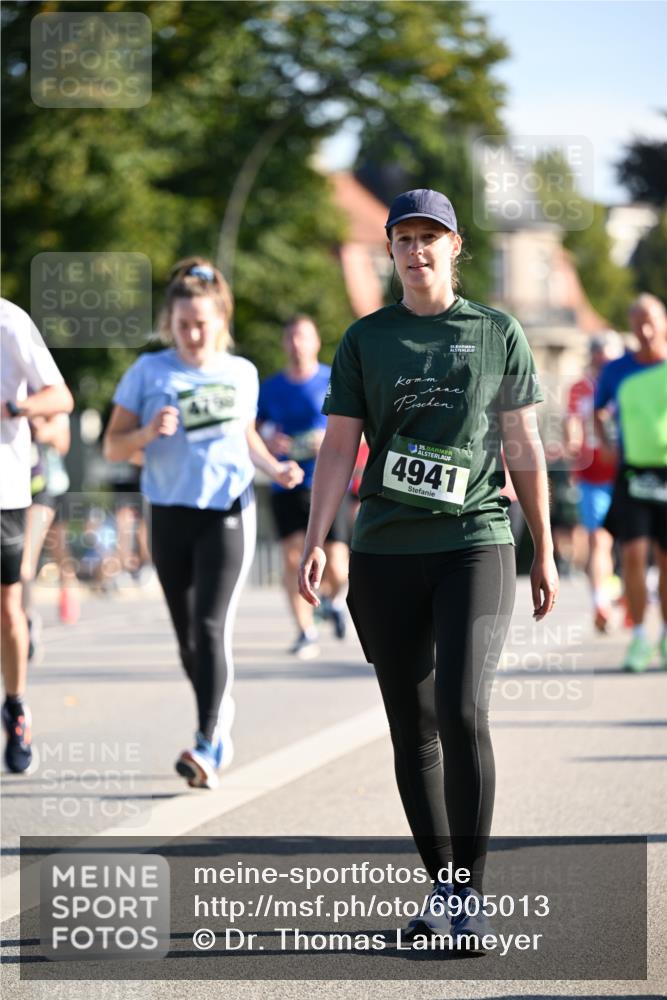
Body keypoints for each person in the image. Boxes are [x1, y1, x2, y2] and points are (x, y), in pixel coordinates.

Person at [298, 189, 558, 944]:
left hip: (475, 540)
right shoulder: (365, 339)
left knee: (461, 709)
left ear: (454, 246)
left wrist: (543, 547)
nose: (417, 251)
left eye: (429, 237)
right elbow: (339, 447)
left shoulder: (495, 332)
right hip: (384, 551)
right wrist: (317, 537)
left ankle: (469, 895)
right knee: (411, 729)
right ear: (390, 250)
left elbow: (521, 444)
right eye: (404, 239)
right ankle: (442, 888)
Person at [104, 258, 303, 789]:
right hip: (169, 512)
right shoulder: (148, 372)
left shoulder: (241, 373)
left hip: (226, 510)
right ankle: (216, 718)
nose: (193, 335)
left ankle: (207, 741)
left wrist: (275, 467)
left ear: (221, 322)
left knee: (211, 627)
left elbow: (245, 434)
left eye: (202, 324)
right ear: (168, 323)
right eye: (183, 324)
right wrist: (146, 433)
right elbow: (112, 446)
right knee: (188, 640)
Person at [1, 297, 74, 773]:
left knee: (9, 608)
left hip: (7, 490)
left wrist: (16, 407)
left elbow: (61, 397)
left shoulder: (9, 321)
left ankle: (15, 706)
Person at [258, 315, 350, 659]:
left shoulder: (333, 380)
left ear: (316, 342)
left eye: (304, 337)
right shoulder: (270, 388)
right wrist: (269, 440)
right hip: (288, 483)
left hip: (330, 482)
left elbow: (359, 427)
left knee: (337, 565)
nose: (297, 344)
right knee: (293, 558)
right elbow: (252, 428)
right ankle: (305, 631)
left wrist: (329, 439)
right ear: (285, 343)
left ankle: (333, 600)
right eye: (292, 337)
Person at [595, 294, 667, 672]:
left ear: (664, 323)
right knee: (633, 555)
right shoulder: (616, 370)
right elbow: (597, 411)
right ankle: (639, 637)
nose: (645, 330)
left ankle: (665, 635)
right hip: (632, 474)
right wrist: (606, 444)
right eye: (638, 323)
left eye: (651, 321)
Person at [564, 333, 621, 632]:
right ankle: (601, 603)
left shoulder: (626, 382)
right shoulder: (579, 388)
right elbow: (572, 420)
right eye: (598, 356)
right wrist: (573, 442)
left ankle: (626, 594)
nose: (602, 362)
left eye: (607, 357)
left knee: (633, 544)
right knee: (599, 539)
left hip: (625, 472)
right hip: (592, 475)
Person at [21, 412, 76, 661]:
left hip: (51, 488)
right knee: (24, 559)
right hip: (18, 490)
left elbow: (62, 443)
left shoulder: (50, 402)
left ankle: (65, 591)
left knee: (57, 549)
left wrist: (37, 425)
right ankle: (25, 617)